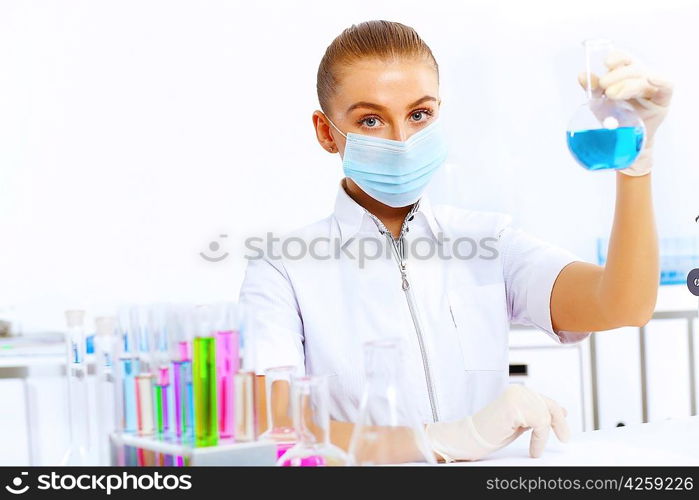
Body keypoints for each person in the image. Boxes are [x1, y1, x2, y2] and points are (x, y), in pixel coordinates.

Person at [239, 20, 673, 461]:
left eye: (418, 114)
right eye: (371, 120)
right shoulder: (283, 268)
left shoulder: (488, 241)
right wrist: (440, 441)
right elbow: (270, 424)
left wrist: (636, 166)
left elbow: (624, 304)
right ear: (326, 131)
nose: (402, 140)